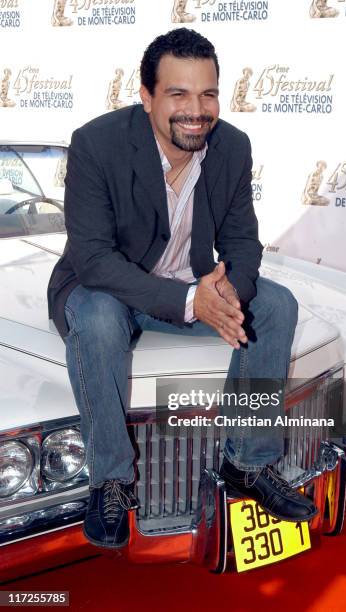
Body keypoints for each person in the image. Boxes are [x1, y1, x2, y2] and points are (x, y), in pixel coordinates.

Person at [47, 28, 317, 549]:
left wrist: (228, 293)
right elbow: (95, 258)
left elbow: (242, 241)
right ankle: (112, 479)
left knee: (278, 305)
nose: (196, 109)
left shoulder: (232, 146)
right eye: (178, 94)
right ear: (147, 96)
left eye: (208, 93)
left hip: (188, 283)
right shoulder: (96, 144)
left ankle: (249, 462)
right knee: (100, 319)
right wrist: (193, 302)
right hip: (104, 287)